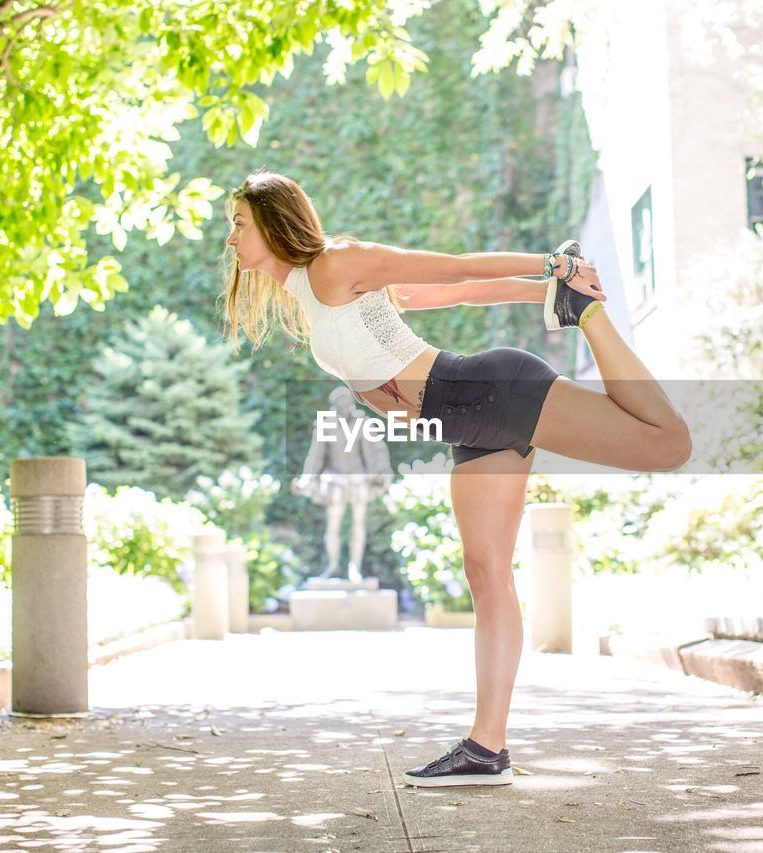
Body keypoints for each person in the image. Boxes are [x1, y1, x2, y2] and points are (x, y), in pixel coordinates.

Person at [221, 167, 691, 788]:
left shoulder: (337, 264)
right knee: (484, 571)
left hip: (485, 391)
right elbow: (459, 295)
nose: (230, 239)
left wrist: (550, 266)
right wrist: (537, 294)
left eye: (238, 224)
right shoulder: (311, 293)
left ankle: (591, 315)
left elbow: (449, 267)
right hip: (466, 424)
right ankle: (484, 748)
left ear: (273, 222)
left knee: (668, 445)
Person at [291, 386, 393, 582]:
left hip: (358, 479)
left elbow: (377, 450)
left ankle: (355, 567)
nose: (345, 407)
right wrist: (307, 479)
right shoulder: (325, 425)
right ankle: (333, 566)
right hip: (335, 480)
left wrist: (381, 470)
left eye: (348, 403)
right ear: (335, 406)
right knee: (333, 525)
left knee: (358, 524)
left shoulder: (362, 423)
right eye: (341, 404)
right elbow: (316, 456)